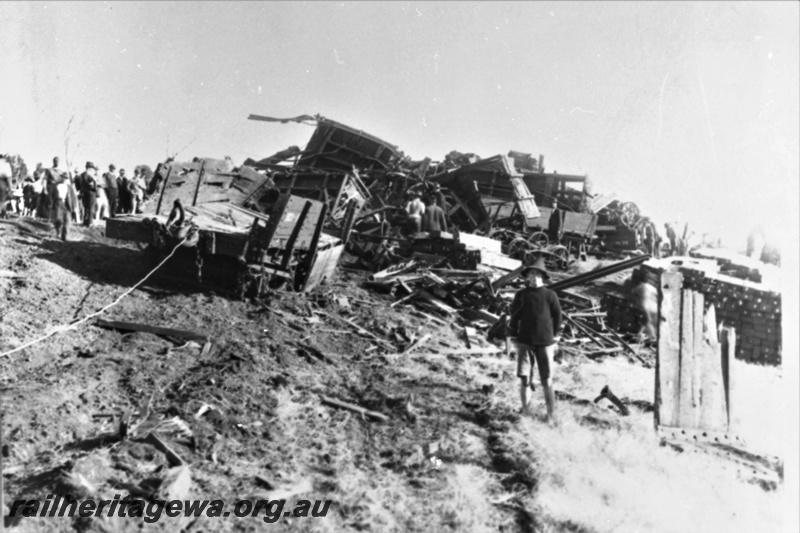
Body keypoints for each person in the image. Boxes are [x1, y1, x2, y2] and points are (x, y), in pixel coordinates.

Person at [508, 257, 563, 422]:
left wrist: (556, 336)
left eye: (538, 273)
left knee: (547, 380)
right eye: (532, 273)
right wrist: (513, 335)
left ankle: (550, 415)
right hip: (525, 341)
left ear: (543, 276)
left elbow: (558, 316)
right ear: (527, 277)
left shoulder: (550, 295)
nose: (534, 276)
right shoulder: (522, 295)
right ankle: (525, 411)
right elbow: (514, 316)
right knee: (525, 378)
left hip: (545, 343)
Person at [80, 161, 99, 226]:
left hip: (85, 192)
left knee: (86, 207)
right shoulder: (90, 175)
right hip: (91, 192)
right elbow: (92, 185)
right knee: (91, 207)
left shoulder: (82, 174)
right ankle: (90, 222)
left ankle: (85, 221)